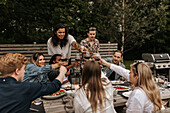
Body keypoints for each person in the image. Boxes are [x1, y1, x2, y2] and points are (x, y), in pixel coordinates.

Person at [0, 53, 67, 113]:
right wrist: (62, 73)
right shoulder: (25, 88)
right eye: (23, 69)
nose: (24, 72)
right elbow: (54, 86)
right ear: (17, 71)